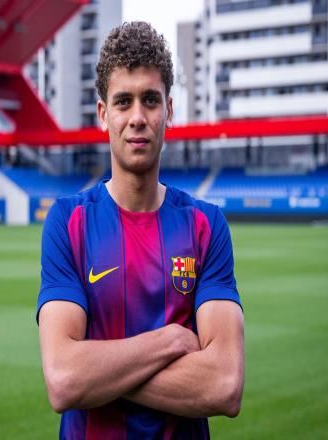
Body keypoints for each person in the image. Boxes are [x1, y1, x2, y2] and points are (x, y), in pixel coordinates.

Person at [37, 21, 244, 439]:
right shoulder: (67, 222)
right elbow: (64, 381)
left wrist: (100, 371)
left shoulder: (206, 225)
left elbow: (224, 385)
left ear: (169, 110)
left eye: (150, 100)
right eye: (123, 101)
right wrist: (170, 342)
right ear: (103, 114)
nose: (137, 118)